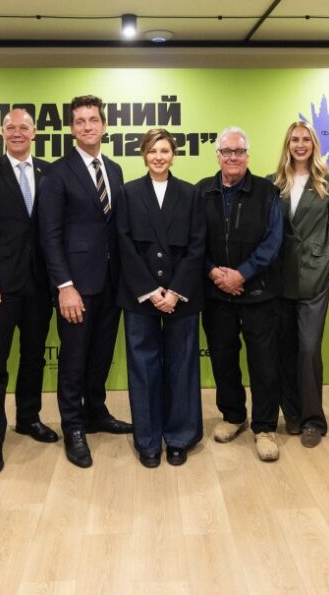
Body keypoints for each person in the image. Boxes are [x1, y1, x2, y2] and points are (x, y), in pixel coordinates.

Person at [38, 95, 132, 469]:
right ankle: (73, 427)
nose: (87, 126)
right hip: (76, 285)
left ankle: (96, 412)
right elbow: (50, 234)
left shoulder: (115, 168)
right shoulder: (57, 173)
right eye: (79, 121)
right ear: (72, 129)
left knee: (101, 355)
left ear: (104, 125)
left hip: (112, 283)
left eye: (93, 119)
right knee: (74, 359)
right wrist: (65, 286)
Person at [0, 109, 59, 476]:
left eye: (24, 127)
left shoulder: (50, 172)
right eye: (11, 128)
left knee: (34, 357)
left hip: (40, 285)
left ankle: (29, 417)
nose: (17, 133)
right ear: (2, 133)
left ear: (34, 132)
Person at [117, 129, 206, 468]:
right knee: (144, 369)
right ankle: (149, 441)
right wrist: (152, 292)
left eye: (165, 150)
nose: (159, 156)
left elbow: (198, 244)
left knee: (182, 367)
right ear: (144, 154)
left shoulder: (190, 193)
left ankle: (180, 437)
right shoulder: (128, 193)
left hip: (181, 296)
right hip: (140, 295)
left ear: (174, 155)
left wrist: (176, 292)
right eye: (153, 150)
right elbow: (123, 243)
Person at [198, 127, 284, 462]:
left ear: (248, 156)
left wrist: (242, 274)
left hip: (259, 293)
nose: (232, 157)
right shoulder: (202, 191)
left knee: (264, 363)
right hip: (216, 293)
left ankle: (264, 426)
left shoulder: (267, 192)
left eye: (239, 151)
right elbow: (194, 241)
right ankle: (233, 415)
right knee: (223, 359)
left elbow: (273, 242)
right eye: (226, 151)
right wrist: (213, 272)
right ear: (217, 155)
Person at [273, 121, 329, 448]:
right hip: (280, 275)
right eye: (294, 140)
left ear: (314, 144)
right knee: (285, 349)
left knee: (309, 349)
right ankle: (294, 414)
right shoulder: (274, 183)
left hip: (315, 272)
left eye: (306, 140)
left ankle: (314, 419)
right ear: (288, 145)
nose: (300, 145)